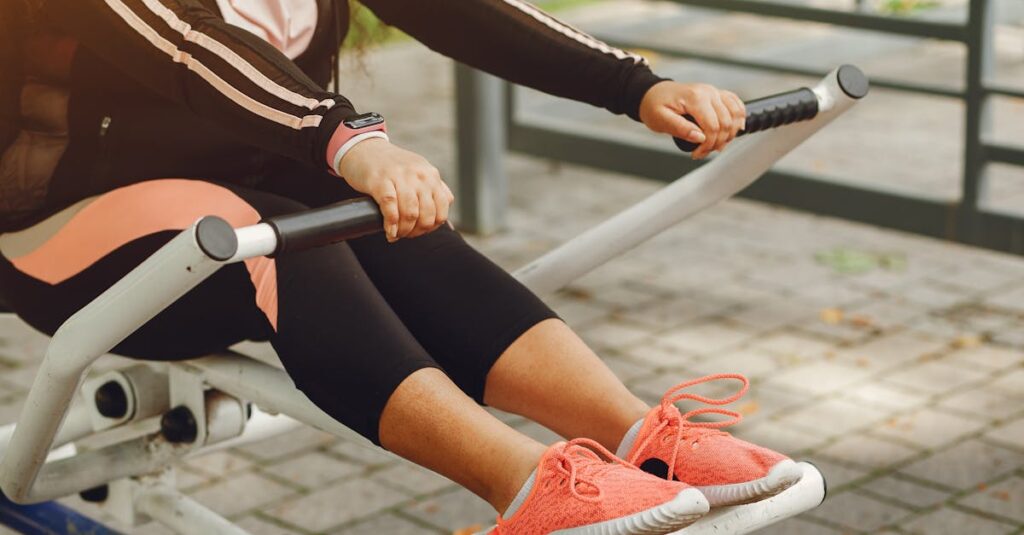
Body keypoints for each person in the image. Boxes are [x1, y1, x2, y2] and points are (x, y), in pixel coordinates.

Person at [0, 1, 803, 533]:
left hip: (240, 196)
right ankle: (524, 486)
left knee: (390, 227)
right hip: (58, 227)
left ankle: (639, 434)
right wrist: (352, 142)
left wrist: (638, 85)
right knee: (276, 234)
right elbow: (191, 45)